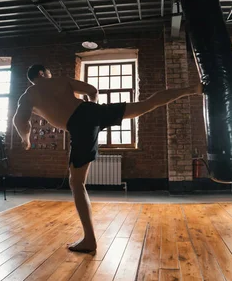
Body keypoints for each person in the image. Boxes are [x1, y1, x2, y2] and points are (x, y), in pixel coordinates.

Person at [13, 64, 202, 253]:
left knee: (77, 183)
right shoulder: (61, 81)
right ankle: (192, 89)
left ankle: (89, 240)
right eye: (49, 73)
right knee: (146, 105)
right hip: (92, 112)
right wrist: (93, 111)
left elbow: (20, 121)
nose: (50, 75)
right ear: (42, 73)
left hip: (79, 125)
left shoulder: (28, 96)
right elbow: (91, 90)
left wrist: (26, 139)